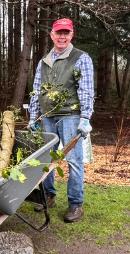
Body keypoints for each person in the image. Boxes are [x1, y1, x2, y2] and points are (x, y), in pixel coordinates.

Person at [28, 18, 95, 223]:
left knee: (73, 160)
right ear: (52, 35)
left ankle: (75, 204)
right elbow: (37, 90)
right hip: (48, 117)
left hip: (71, 116)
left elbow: (86, 90)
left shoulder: (81, 58)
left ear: (71, 35)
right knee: (47, 159)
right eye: (59, 33)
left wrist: (85, 118)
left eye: (66, 33)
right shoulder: (44, 61)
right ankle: (49, 195)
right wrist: (33, 117)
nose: (62, 36)